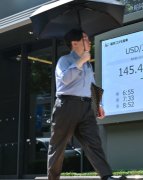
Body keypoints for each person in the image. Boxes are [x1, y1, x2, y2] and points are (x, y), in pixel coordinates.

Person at [48, 29, 125, 180]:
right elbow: (65, 79)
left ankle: (107, 176)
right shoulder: (64, 60)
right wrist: (81, 61)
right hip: (66, 106)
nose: (89, 41)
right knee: (58, 147)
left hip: (86, 107)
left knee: (94, 142)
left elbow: (92, 85)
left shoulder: (88, 64)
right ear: (74, 43)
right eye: (85, 38)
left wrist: (99, 104)